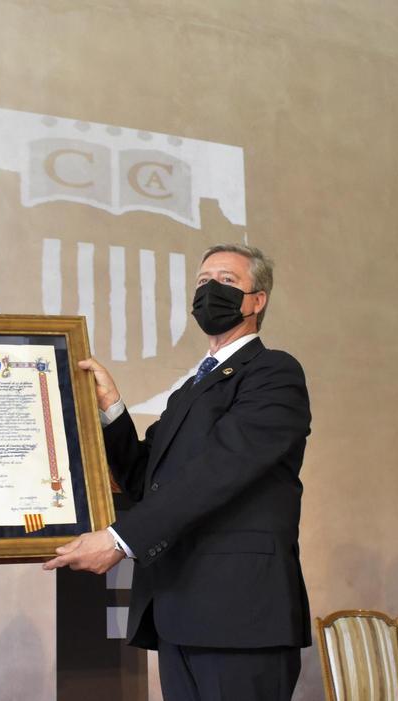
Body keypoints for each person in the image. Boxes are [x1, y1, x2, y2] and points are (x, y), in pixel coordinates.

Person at [44, 244, 312, 701]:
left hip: (240, 614)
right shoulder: (191, 387)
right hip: (178, 609)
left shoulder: (273, 372)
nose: (210, 291)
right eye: (203, 282)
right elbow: (148, 477)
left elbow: (220, 471)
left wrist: (117, 539)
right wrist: (112, 409)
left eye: (226, 281)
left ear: (257, 300)